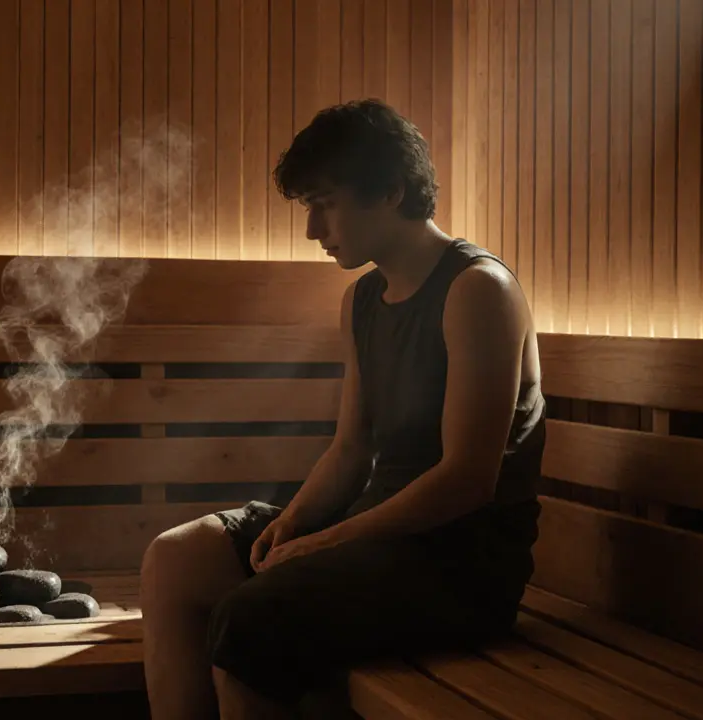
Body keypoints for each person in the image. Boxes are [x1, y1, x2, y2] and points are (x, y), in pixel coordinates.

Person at [139, 98, 545, 719]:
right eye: (309, 206)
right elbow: (351, 448)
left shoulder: (477, 291)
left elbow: (468, 479)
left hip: (458, 563)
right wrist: (295, 524)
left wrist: (325, 543)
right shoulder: (362, 300)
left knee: (251, 623)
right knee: (176, 558)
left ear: (391, 191)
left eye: (324, 203)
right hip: (377, 536)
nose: (312, 229)